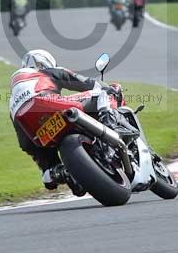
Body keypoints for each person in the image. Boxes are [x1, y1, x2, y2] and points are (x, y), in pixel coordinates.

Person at [9, 49, 132, 191]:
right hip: (48, 102)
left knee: (46, 166)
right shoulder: (46, 72)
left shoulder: (13, 97)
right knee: (103, 94)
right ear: (45, 62)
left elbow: (25, 143)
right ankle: (111, 126)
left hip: (27, 127)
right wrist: (108, 88)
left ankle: (58, 172)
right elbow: (85, 82)